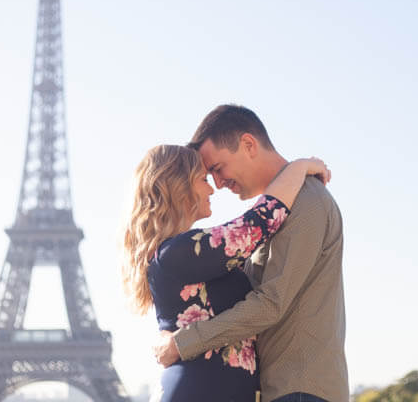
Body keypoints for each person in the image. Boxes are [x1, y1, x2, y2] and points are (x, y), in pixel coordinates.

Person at [154, 105, 349, 402]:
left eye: (217, 169)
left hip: (300, 389)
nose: (217, 185)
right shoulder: (274, 214)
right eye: (208, 176)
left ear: (248, 144)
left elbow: (271, 303)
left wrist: (184, 343)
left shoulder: (307, 200)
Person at [122, 144, 330, 402]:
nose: (212, 188)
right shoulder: (183, 250)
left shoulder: (185, 254)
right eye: (202, 179)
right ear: (178, 187)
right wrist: (299, 167)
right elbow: (261, 220)